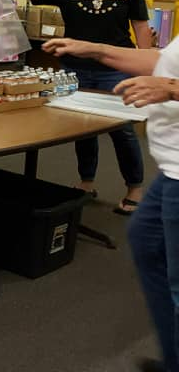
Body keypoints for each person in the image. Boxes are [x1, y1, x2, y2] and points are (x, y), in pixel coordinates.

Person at [43, 35, 177, 372]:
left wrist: (172, 89)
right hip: (171, 170)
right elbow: (163, 61)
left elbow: (169, 78)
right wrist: (96, 50)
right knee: (147, 243)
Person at [0, 0, 151, 214]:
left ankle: (135, 188)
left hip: (115, 69)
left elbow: (141, 26)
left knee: (123, 130)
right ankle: (86, 182)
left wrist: (146, 65)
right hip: (75, 68)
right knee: (83, 129)